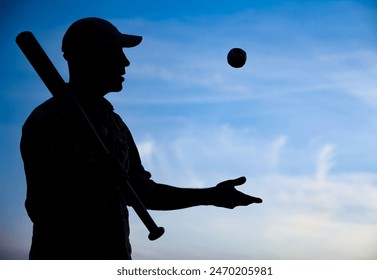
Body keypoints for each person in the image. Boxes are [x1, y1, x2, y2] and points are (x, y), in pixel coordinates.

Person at [20, 17, 262, 260]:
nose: (126, 62)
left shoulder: (116, 125)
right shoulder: (48, 121)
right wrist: (91, 180)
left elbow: (142, 192)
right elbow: (41, 207)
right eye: (116, 52)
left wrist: (210, 196)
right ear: (90, 57)